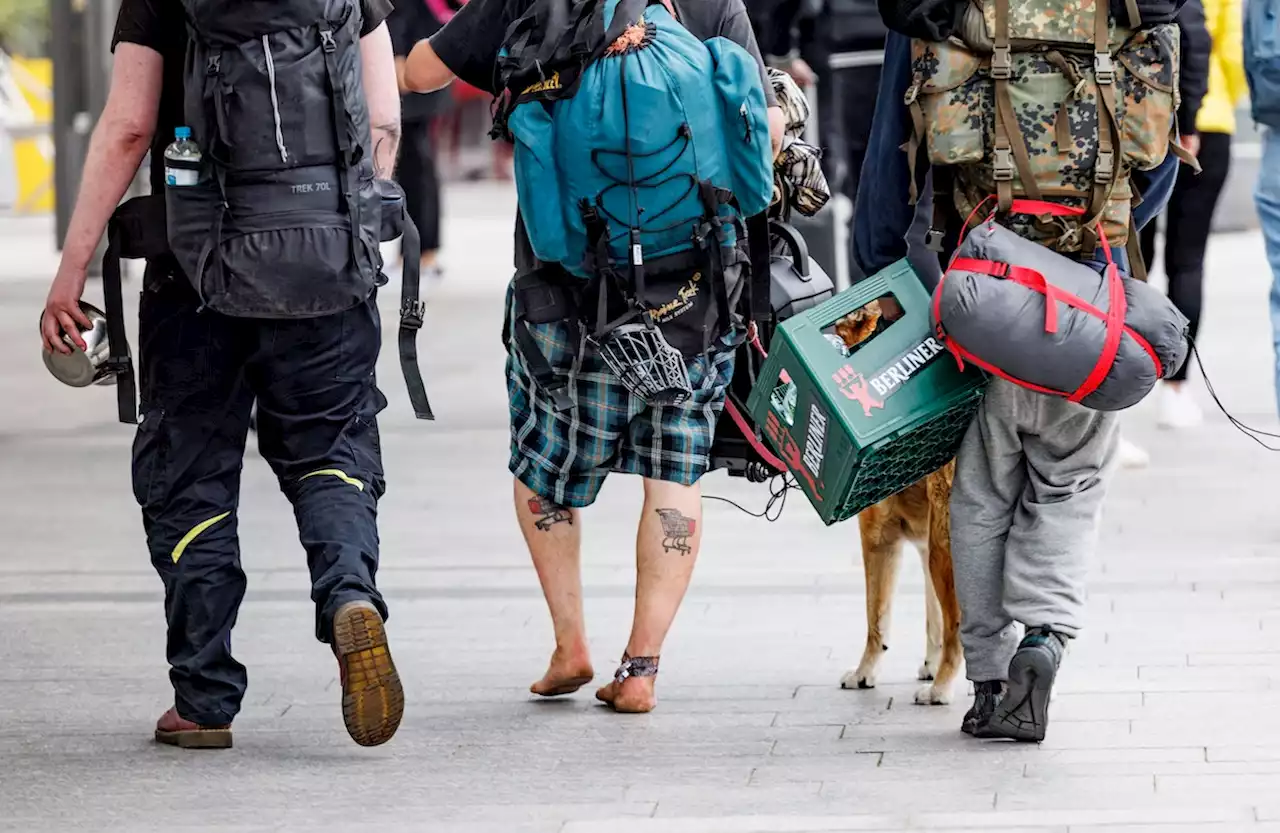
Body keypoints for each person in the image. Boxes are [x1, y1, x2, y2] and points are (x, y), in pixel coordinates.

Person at [40, 0, 406, 749]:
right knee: (331, 451)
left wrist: (71, 267)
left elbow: (129, 127)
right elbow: (384, 119)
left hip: (194, 273)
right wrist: (342, 229)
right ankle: (347, 596)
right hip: (326, 265)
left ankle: (204, 698)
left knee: (192, 472)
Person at [404, 0, 785, 714]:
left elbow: (423, 71)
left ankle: (569, 642)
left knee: (543, 457)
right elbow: (762, 124)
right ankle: (640, 666)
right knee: (675, 468)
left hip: (565, 288)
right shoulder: (709, 4)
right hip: (694, 286)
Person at [855, 16, 1183, 741]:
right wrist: (1095, 249)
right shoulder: (1125, 11)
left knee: (978, 493)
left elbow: (890, 162)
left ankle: (988, 679)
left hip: (980, 292)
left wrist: (879, 275)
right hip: (1091, 302)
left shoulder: (945, 11)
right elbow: (1156, 167)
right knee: (1069, 484)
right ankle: (1047, 638)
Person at [1140, 0, 1241, 429]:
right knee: (1188, 260)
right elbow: (1229, 51)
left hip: (1143, 117)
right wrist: (1211, 105)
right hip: (1206, 122)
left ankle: (1119, 385)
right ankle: (1176, 391)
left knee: (1131, 260)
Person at [390, 0, 449, 285]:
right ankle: (418, 248)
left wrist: (398, 54)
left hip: (414, 65)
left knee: (417, 163)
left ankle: (421, 249)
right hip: (421, 59)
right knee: (415, 163)